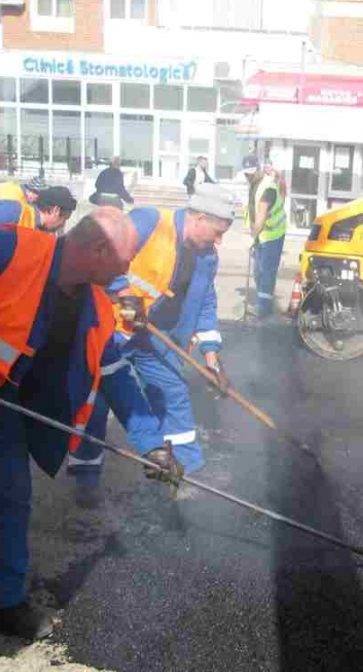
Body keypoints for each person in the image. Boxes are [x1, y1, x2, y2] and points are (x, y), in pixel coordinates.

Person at [0, 208, 179, 641]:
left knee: (9, 496)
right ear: (99, 250)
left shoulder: (95, 307)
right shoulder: (8, 250)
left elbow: (115, 374)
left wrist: (152, 445)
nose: (128, 269)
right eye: (126, 258)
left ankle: (5, 603)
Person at [68, 183, 238, 495]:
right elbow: (104, 249)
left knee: (173, 388)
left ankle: (187, 471)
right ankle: (86, 474)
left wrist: (212, 358)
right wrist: (123, 294)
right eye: (217, 232)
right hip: (109, 328)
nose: (219, 241)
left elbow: (206, 303)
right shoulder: (150, 221)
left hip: (152, 337)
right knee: (99, 400)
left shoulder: (207, 257)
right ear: (199, 218)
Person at [244, 154, 286, 318]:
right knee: (258, 270)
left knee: (266, 270)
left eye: (251, 172)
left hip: (272, 235)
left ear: (259, 170)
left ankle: (263, 309)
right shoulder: (255, 184)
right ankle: (265, 302)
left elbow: (260, 217)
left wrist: (251, 237)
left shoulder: (267, 187)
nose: (248, 176)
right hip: (262, 235)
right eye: (246, 173)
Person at [0, 185, 77, 238]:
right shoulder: (12, 211)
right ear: (55, 210)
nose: (63, 225)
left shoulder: (39, 231)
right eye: (64, 219)